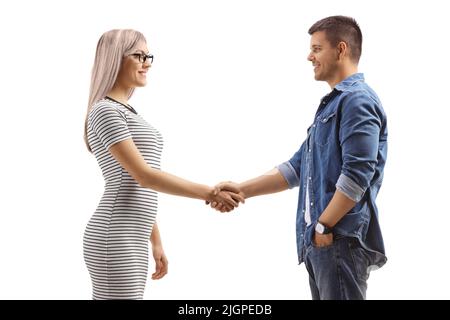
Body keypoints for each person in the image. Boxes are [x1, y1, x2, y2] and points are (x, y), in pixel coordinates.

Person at [210, 16, 388, 300]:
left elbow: (357, 176)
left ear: (340, 50)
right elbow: (296, 168)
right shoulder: (334, 105)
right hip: (324, 245)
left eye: (317, 49)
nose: (309, 56)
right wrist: (241, 190)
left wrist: (323, 226)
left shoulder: (357, 101)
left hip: (338, 239)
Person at [83, 29, 244, 300]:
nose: (147, 62)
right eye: (139, 55)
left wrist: (155, 241)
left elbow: (139, 186)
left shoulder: (125, 111)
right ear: (115, 58)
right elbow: (144, 176)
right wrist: (209, 193)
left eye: (149, 56)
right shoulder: (104, 111)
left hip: (132, 234)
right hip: (115, 234)